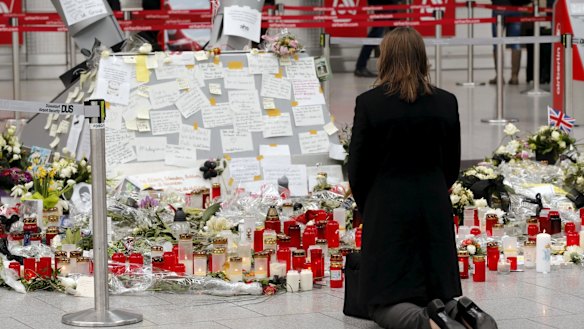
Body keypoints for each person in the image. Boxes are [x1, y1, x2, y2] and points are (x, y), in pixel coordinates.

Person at [348, 27, 497, 329]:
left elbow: (357, 169)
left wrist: (370, 206)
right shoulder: (446, 101)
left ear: (384, 58)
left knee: (380, 304)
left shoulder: (370, 103)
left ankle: (427, 323)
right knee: (437, 290)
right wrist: (433, 191)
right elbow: (451, 165)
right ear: (421, 58)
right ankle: (468, 313)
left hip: (387, 207)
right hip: (433, 207)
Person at [354, 0, 396, 77]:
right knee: (376, 33)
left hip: (390, 3)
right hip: (384, 3)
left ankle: (398, 66)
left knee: (396, 33)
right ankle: (360, 66)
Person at [489, 0, 525, 85]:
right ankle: (515, 76)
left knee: (497, 43)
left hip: (499, 7)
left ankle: (499, 76)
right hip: (516, 7)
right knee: (516, 43)